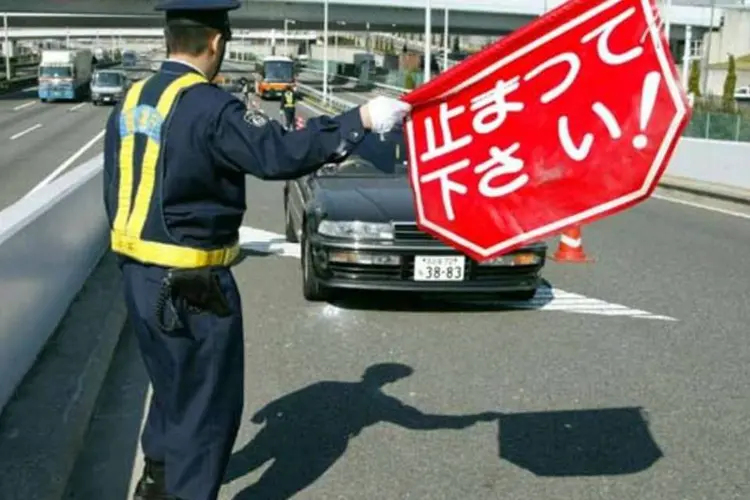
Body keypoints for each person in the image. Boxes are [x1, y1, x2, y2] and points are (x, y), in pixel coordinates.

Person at [101, 1, 411, 499]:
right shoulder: (210, 106)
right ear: (217, 42)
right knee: (206, 407)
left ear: (168, 38)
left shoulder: (133, 98)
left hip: (139, 275)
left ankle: (155, 483)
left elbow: (113, 184)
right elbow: (278, 152)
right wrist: (362, 118)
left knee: (171, 387)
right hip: (194, 284)